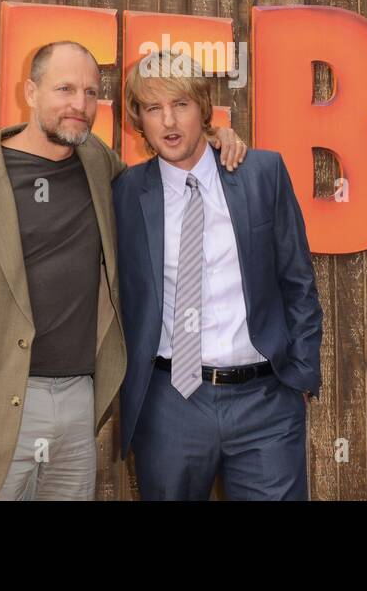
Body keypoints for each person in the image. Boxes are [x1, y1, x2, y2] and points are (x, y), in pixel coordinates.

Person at [0, 40, 246, 500]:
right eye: (64, 89)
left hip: (78, 404)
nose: (79, 105)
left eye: (89, 92)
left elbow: (170, 174)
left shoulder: (100, 167)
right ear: (30, 91)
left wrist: (215, 137)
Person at [112, 49, 323, 500]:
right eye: (153, 108)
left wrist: (300, 376)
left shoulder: (262, 173)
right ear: (138, 120)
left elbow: (298, 282)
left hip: (265, 402)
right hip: (170, 404)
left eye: (181, 104)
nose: (169, 121)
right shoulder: (125, 193)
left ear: (204, 110)